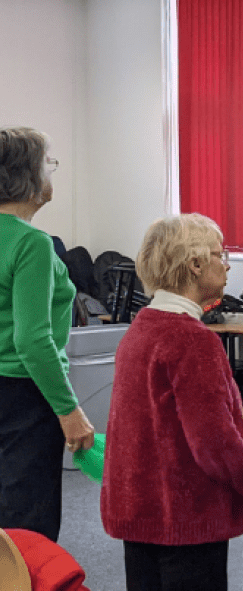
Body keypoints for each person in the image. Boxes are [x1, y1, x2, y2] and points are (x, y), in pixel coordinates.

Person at [100, 214, 243, 591]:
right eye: (221, 254)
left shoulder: (139, 330)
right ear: (195, 264)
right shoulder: (193, 341)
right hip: (186, 521)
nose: (227, 263)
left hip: (141, 513)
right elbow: (215, 443)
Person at [0, 127, 95, 542]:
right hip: (24, 394)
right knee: (27, 530)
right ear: (28, 177)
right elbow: (33, 341)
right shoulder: (32, 244)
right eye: (48, 165)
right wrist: (69, 410)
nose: (50, 174)